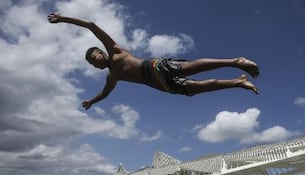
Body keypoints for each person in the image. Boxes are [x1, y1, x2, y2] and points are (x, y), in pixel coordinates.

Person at [47, 13, 260, 110]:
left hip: (155, 66)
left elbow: (91, 25)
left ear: (101, 53)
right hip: (159, 84)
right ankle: (238, 82)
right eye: (93, 64)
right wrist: (91, 102)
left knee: (191, 67)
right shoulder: (113, 76)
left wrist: (64, 19)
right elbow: (105, 93)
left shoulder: (114, 51)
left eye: (95, 58)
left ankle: (235, 61)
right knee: (197, 89)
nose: (96, 63)